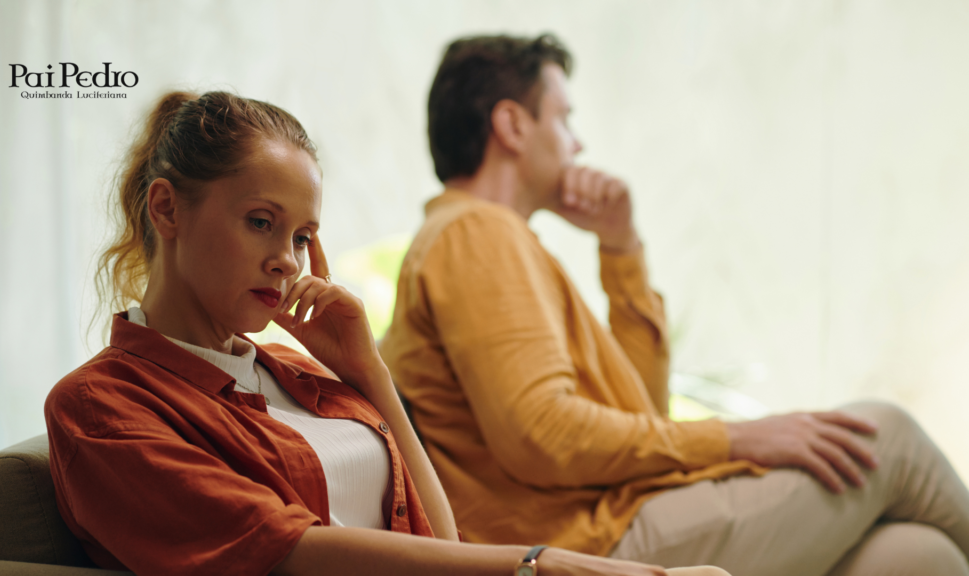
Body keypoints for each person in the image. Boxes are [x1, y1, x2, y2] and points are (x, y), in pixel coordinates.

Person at [44, 90, 728, 576]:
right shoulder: (101, 406)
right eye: (261, 221)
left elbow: (445, 538)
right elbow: (285, 552)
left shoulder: (296, 372)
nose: (287, 258)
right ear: (167, 209)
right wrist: (534, 565)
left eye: (303, 235)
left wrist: (369, 375)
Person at [380, 33, 969, 576]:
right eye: (563, 117)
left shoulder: (483, 236)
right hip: (579, 545)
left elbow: (641, 406)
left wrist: (621, 248)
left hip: (610, 517)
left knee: (923, 558)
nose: (577, 142)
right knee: (885, 434)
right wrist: (739, 438)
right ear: (511, 125)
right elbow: (544, 436)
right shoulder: (475, 233)